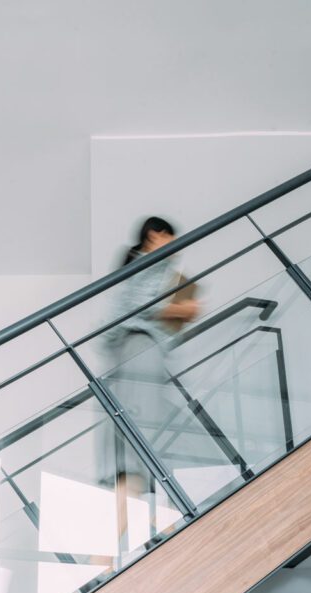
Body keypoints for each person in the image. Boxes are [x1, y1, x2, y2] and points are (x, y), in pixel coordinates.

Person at [100, 217, 200, 549]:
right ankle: (152, 523)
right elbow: (136, 308)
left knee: (142, 442)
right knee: (144, 440)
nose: (175, 248)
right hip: (139, 351)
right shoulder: (146, 267)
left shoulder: (147, 269)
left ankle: (111, 546)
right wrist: (180, 309)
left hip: (139, 355)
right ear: (155, 235)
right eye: (170, 239)